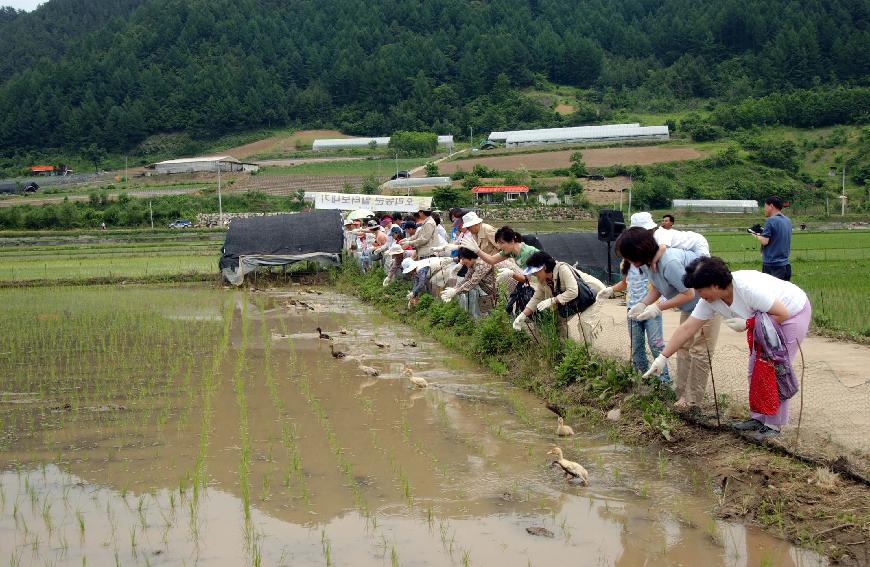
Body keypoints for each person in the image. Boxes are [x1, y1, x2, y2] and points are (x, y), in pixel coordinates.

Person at [644, 256, 810, 438]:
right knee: (755, 368)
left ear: (714, 285)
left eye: (701, 290)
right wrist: (663, 357)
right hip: (763, 321)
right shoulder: (711, 300)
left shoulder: (746, 288)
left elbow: (781, 313)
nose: (700, 295)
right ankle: (759, 418)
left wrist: (747, 323)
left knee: (772, 369)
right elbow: (688, 327)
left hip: (791, 314)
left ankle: (773, 426)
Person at [616, 227, 721, 409]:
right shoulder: (650, 263)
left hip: (708, 303)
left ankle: (692, 400)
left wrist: (658, 307)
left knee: (700, 352)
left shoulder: (669, 261)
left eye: (628, 256)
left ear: (638, 251)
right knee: (683, 348)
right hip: (691, 308)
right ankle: (680, 394)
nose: (628, 261)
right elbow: (658, 286)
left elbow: (688, 292)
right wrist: (642, 303)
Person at [597, 259, 670, 384]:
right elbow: (625, 283)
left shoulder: (649, 262)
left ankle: (664, 381)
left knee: (656, 344)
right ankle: (642, 378)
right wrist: (610, 289)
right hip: (632, 310)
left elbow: (660, 284)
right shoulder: (624, 263)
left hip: (651, 309)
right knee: (637, 345)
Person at [512, 251, 605, 343]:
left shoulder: (562, 269)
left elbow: (573, 291)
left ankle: (587, 353)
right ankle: (565, 349)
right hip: (577, 299)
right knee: (558, 320)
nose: (533, 275)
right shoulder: (543, 281)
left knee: (584, 322)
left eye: (535, 272)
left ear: (544, 267)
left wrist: (552, 300)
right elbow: (536, 298)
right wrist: (522, 315)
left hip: (593, 294)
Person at [630, 212, 709, 270]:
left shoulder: (659, 233)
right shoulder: (653, 235)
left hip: (697, 242)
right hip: (685, 247)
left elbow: (663, 248)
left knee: (703, 267)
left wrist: (653, 261)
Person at [440, 247, 496, 319]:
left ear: (470, 256)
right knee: (493, 312)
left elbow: (472, 282)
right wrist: (454, 289)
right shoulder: (472, 265)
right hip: (492, 290)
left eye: (463, 259)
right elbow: (466, 279)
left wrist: (455, 292)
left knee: (505, 310)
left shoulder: (481, 263)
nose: (462, 261)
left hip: (505, 287)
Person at [751, 196, 792, 281]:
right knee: (783, 293)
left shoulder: (770, 221)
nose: (764, 209)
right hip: (785, 265)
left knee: (770, 293)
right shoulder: (787, 220)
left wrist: (756, 235)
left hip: (772, 266)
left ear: (771, 206)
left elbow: (765, 241)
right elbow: (777, 237)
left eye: (765, 207)